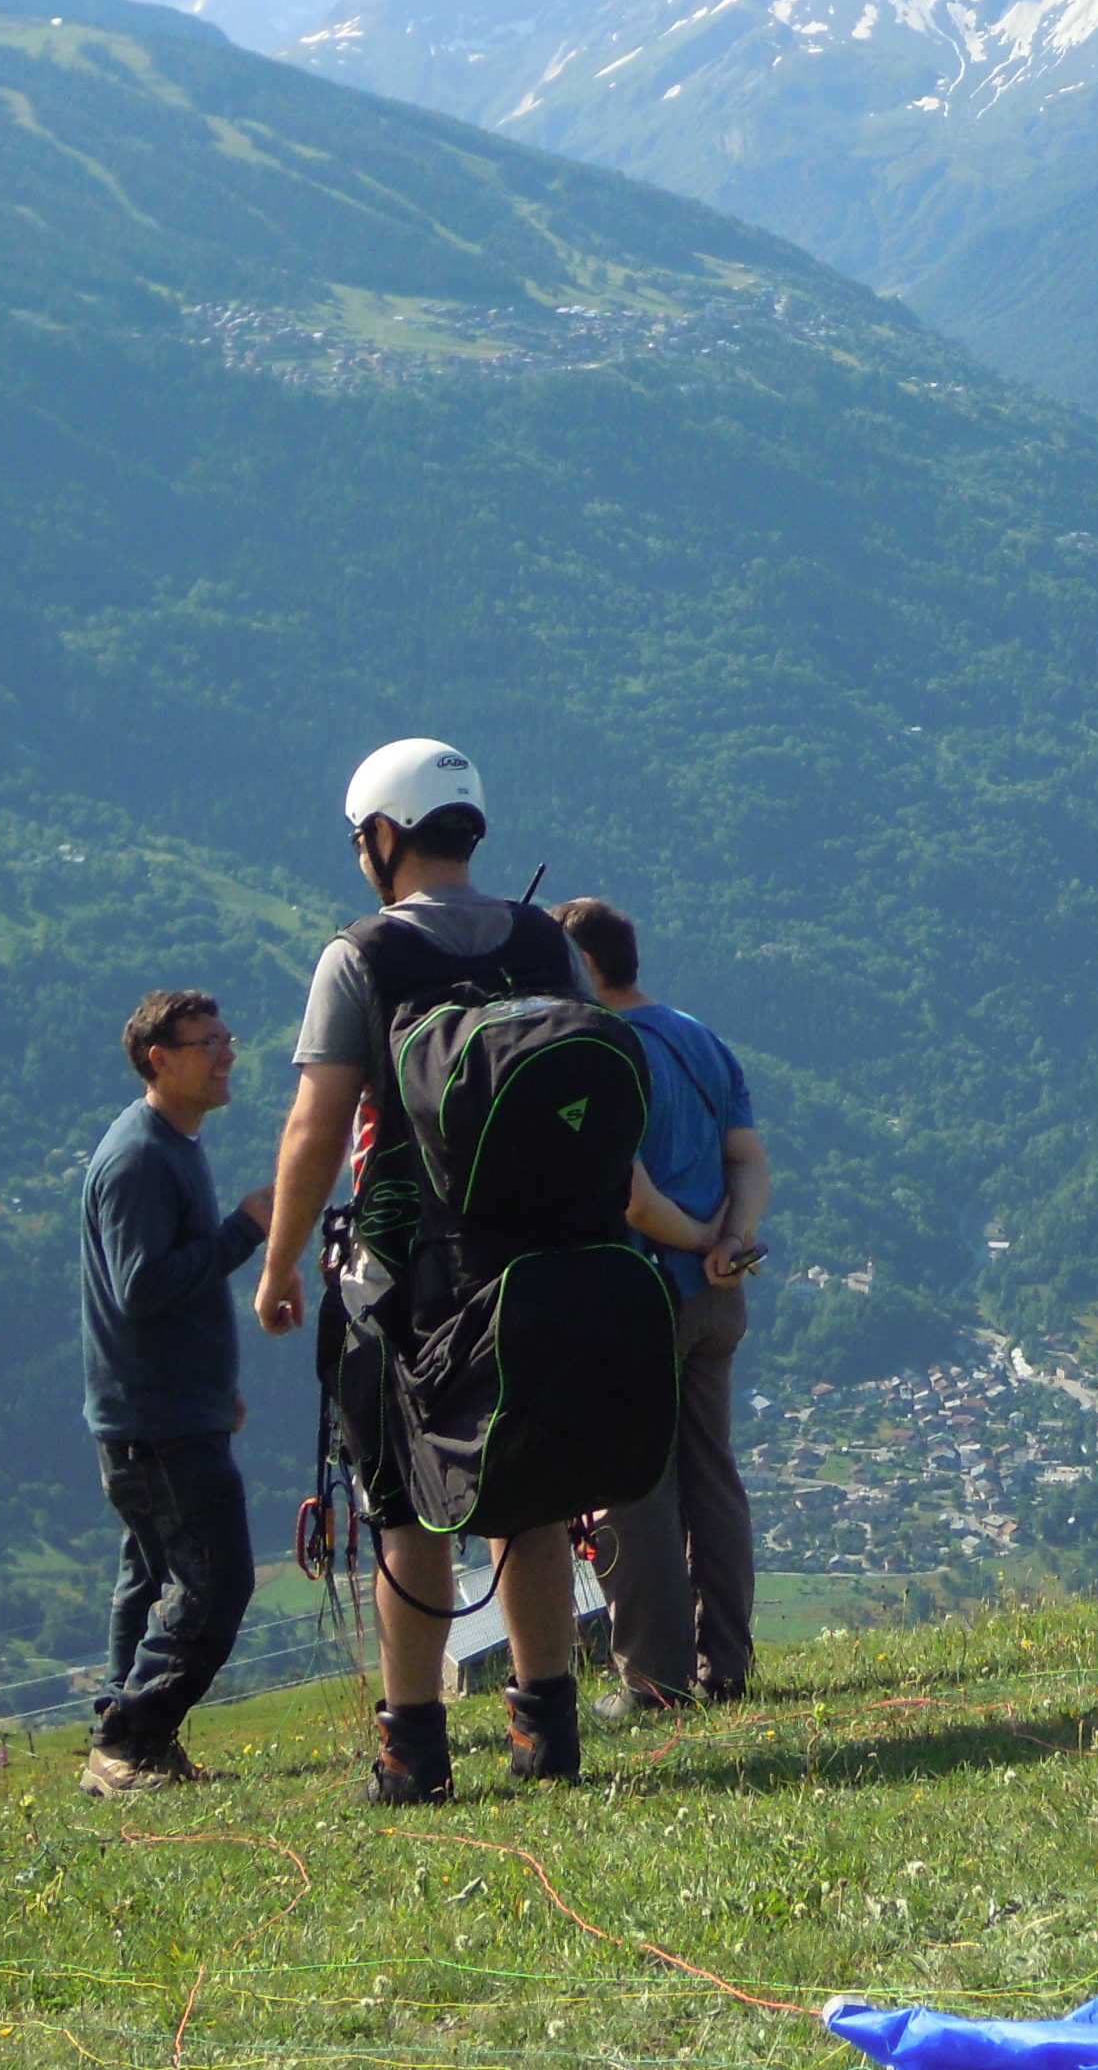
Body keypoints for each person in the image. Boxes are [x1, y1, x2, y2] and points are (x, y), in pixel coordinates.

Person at [252, 739, 710, 1799]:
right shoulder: (544, 943)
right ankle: (547, 1732)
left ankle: (412, 1750)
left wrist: (279, 1267)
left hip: (408, 1274)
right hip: (545, 1260)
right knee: (530, 1494)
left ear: (383, 836)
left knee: (404, 1509)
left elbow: (316, 1126)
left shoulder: (361, 957)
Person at [561, 895, 769, 1711]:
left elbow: (636, 1201)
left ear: (583, 967)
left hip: (643, 1297)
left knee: (633, 1485)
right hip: (718, 1299)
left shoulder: (604, 1054)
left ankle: (654, 1679)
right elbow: (748, 1159)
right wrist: (730, 1239)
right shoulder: (697, 1036)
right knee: (711, 1473)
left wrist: (695, 1241)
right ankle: (729, 1662)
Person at [77, 989, 276, 1796]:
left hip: (163, 1410)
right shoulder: (140, 1159)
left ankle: (125, 1743)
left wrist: (212, 1388)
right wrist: (244, 1232)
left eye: (226, 1038)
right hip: (156, 1423)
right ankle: (130, 1738)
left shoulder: (171, 1144)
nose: (227, 1054)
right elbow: (141, 1286)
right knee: (214, 1583)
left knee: (152, 1579)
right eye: (207, 1043)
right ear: (159, 1060)